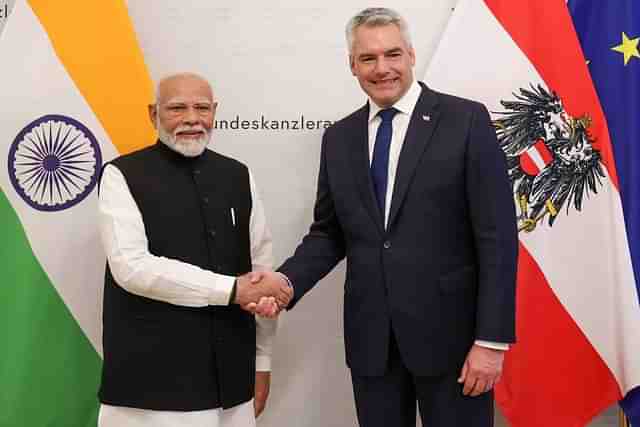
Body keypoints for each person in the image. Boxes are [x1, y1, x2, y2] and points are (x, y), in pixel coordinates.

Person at [257, 7, 518, 427]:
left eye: (392, 55)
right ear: (352, 65)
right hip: (372, 343)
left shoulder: (465, 121)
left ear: (411, 55)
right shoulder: (339, 138)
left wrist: (491, 341)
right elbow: (330, 233)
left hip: (454, 344)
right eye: (368, 58)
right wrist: (286, 282)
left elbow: (497, 238)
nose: (382, 68)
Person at [97, 72, 291, 427]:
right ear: (153, 114)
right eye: (177, 108)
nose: (191, 118)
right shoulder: (121, 175)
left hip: (233, 382)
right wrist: (232, 290)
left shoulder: (238, 175)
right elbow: (132, 268)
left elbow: (260, 269)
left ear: (215, 111)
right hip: (152, 388)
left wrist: (262, 362)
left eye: (202, 107)